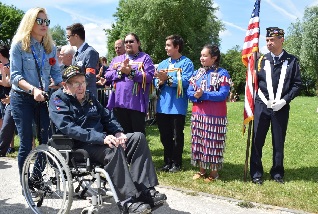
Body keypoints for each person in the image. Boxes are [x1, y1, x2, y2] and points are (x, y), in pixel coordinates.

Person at [49, 65, 166, 214]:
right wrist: (102, 138)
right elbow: (68, 127)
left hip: (101, 140)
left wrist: (117, 132)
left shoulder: (89, 96)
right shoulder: (58, 99)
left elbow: (106, 115)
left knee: (138, 137)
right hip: (78, 145)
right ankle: (127, 201)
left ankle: (144, 190)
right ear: (65, 85)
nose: (81, 86)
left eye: (83, 82)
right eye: (76, 83)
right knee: (113, 149)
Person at [10, 7, 63, 177]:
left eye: (46, 21)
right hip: (22, 98)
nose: (44, 25)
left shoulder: (50, 48)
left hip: (43, 98)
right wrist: (33, 90)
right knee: (26, 142)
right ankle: (25, 183)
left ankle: (36, 178)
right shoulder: (19, 46)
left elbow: (55, 72)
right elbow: (15, 76)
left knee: (46, 141)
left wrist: (65, 86)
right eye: (39, 21)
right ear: (30, 22)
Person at [250, 27, 302, 185]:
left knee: (278, 141)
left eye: (272, 40)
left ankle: (277, 173)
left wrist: (284, 101)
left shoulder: (292, 61)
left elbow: (297, 84)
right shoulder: (260, 60)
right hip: (261, 105)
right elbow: (253, 83)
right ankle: (256, 173)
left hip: (281, 107)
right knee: (257, 139)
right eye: (267, 40)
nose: (269, 43)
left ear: (281, 40)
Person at [187, 45, 231, 181]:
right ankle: (201, 171)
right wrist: (196, 95)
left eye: (205, 55)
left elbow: (223, 94)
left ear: (214, 57)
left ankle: (213, 173)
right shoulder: (197, 73)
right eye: (201, 55)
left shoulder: (222, 74)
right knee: (199, 142)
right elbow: (189, 91)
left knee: (212, 143)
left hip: (215, 115)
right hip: (198, 114)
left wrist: (204, 94)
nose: (201, 58)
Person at [154, 35, 194, 173]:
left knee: (177, 135)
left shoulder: (187, 63)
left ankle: (176, 163)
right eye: (166, 45)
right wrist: (159, 82)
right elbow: (156, 80)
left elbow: (186, 81)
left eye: (168, 45)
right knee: (165, 135)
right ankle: (167, 162)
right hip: (162, 106)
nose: (166, 48)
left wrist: (167, 79)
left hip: (177, 106)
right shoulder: (163, 63)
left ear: (177, 47)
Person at [105, 33, 155, 135]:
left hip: (136, 103)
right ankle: (123, 151)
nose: (128, 43)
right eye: (126, 42)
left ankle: (138, 151)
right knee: (121, 134)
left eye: (131, 41)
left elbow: (149, 77)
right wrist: (120, 72)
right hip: (118, 102)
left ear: (138, 43)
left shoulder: (145, 58)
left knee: (137, 135)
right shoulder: (117, 59)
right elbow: (108, 75)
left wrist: (131, 72)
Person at [66, 23, 99, 97]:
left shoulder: (90, 52)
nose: (67, 39)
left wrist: (74, 85)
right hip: (77, 95)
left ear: (76, 36)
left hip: (87, 96)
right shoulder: (76, 55)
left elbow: (89, 76)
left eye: (68, 37)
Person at [0, 44, 15, 156]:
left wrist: (6, 74)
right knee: (6, 126)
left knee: (7, 125)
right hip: (4, 99)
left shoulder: (10, 65)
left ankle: (10, 147)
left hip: (12, 98)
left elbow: (8, 83)